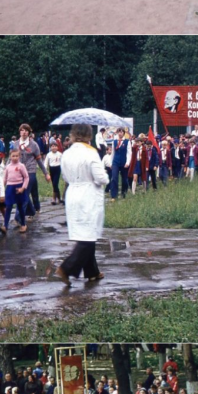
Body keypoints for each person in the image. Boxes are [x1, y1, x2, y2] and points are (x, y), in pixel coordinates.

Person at [56, 121, 109, 285]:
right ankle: (67, 267)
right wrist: (105, 176)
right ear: (89, 136)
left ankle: (92, 271)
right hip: (88, 194)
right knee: (88, 236)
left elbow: (64, 176)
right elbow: (100, 178)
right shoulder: (91, 153)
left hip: (72, 193)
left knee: (85, 232)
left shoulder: (66, 153)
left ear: (72, 135)